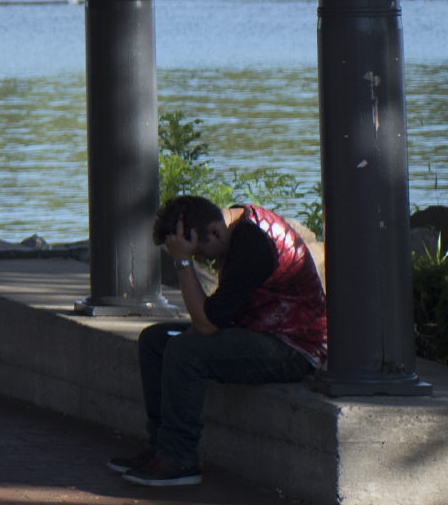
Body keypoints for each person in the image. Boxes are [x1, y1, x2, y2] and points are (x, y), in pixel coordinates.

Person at [119, 193, 326, 486]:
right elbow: (213, 319)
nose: (202, 260)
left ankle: (180, 459)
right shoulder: (233, 231)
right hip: (255, 334)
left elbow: (206, 325)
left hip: (293, 349)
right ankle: (158, 449)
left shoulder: (254, 243)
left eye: (200, 254)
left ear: (215, 231)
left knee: (186, 349)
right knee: (156, 340)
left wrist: (182, 263)